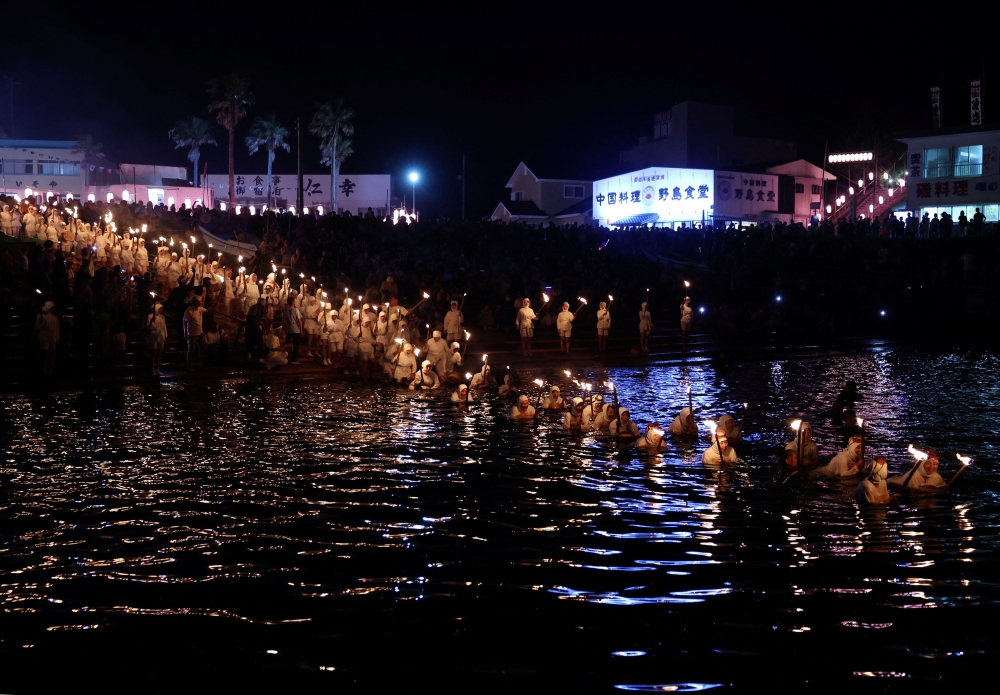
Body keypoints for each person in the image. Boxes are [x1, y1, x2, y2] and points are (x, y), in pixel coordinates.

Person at [35, 301, 60, 374]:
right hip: (44, 335)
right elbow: (37, 327)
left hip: (52, 335)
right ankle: (44, 370)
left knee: (52, 353)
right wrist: (40, 321)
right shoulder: (41, 316)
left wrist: (57, 338)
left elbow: (57, 328)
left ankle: (50, 369)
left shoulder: (55, 317)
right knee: (45, 353)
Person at [147, 302, 168, 376]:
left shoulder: (162, 317)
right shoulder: (150, 316)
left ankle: (157, 368)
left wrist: (165, 336)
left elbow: (164, 327)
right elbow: (148, 327)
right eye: (160, 309)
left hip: (161, 336)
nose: (162, 310)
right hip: (154, 336)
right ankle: (152, 368)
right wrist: (151, 322)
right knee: (154, 353)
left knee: (159, 353)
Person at [281, 296, 303, 364]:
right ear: (293, 302)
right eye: (294, 301)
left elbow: (284, 320)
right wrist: (301, 330)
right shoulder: (296, 310)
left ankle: (282, 356)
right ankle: (294, 359)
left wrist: (284, 329)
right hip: (296, 329)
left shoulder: (285, 310)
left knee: (286, 343)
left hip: (289, 329)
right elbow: (299, 320)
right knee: (296, 345)